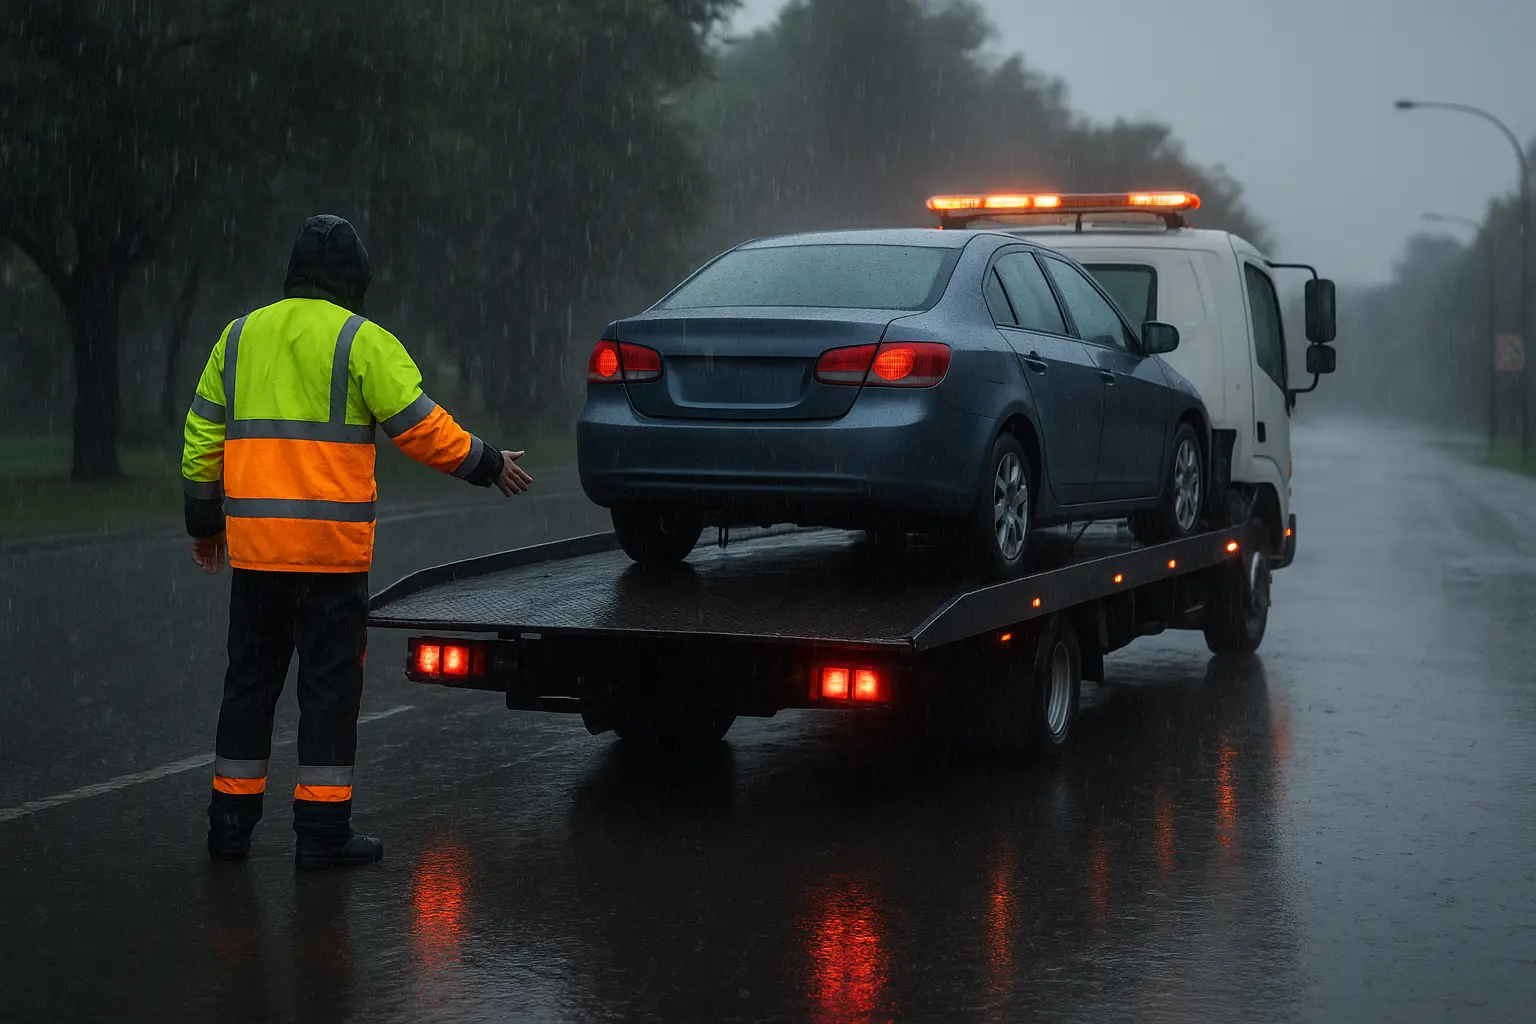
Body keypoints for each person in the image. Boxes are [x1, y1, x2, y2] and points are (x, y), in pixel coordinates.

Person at [181, 214, 532, 869]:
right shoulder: (362, 342)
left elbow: (201, 436)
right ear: (354, 280)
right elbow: (420, 428)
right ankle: (320, 837)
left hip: (257, 557)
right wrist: (485, 463)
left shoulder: (237, 338)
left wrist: (205, 526)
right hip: (329, 560)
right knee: (329, 694)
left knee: (248, 688)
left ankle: (228, 830)